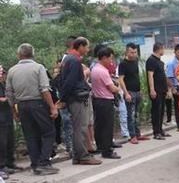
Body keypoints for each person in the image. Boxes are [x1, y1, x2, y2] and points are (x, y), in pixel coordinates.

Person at [5, 44, 59, 175]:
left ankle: (35, 164)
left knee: (30, 136)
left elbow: (9, 94)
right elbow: (44, 89)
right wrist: (52, 107)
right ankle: (44, 162)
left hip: (22, 106)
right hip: (38, 103)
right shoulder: (38, 68)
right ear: (32, 54)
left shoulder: (12, 71)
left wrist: (14, 111)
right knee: (49, 132)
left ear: (19, 55)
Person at [59, 37, 102, 166]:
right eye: (87, 47)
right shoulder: (74, 61)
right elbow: (70, 82)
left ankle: (78, 156)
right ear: (81, 46)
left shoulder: (68, 59)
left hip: (73, 98)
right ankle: (83, 156)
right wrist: (63, 98)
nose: (88, 50)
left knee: (78, 127)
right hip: (77, 99)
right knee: (81, 128)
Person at [90, 47, 121, 159]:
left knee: (99, 125)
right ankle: (107, 151)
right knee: (107, 126)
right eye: (110, 59)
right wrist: (119, 88)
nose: (111, 62)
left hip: (97, 100)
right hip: (105, 100)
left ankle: (100, 146)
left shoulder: (94, 69)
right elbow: (112, 88)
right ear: (103, 58)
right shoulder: (103, 71)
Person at [118, 43, 149, 144]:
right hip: (129, 92)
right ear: (127, 52)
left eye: (135, 52)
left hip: (137, 91)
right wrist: (126, 93)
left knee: (136, 114)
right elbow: (121, 80)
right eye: (132, 52)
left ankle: (138, 134)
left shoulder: (135, 61)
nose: (134, 54)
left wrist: (141, 91)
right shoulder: (122, 64)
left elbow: (136, 77)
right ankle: (132, 136)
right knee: (130, 115)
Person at [146, 42, 171, 140]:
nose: (163, 51)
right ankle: (156, 132)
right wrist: (152, 89)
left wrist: (168, 88)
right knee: (156, 111)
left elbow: (163, 76)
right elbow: (150, 75)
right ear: (159, 49)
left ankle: (160, 130)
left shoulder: (160, 61)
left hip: (162, 89)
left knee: (161, 111)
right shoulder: (151, 60)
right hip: (156, 90)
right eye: (163, 49)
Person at [0, 65, 17, 178]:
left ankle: (9, 162)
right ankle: (2, 165)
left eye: (3, 72)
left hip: (7, 115)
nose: (2, 74)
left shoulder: (3, 84)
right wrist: (6, 99)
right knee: (2, 141)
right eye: (0, 72)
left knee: (10, 139)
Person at [166, 44, 179, 132]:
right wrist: (173, 88)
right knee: (178, 107)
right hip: (177, 88)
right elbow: (168, 77)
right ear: (175, 52)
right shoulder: (171, 64)